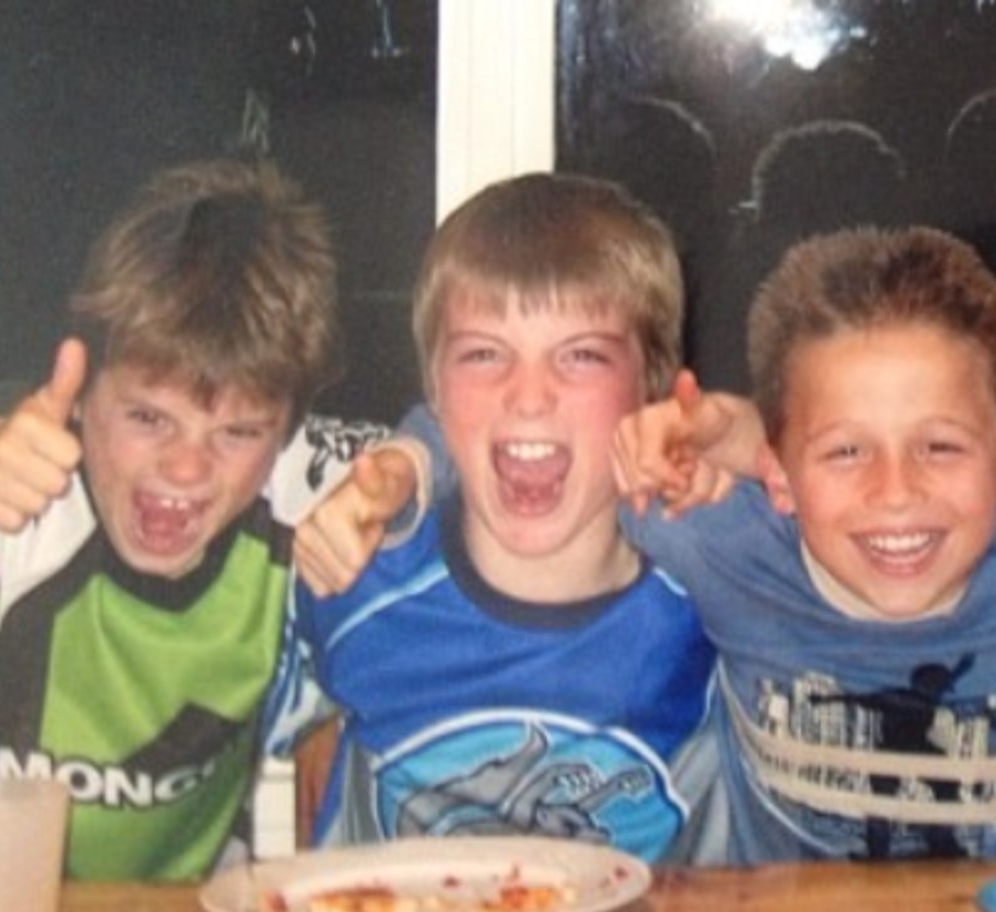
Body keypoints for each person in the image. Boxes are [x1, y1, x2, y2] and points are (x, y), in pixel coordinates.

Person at [0, 157, 386, 880]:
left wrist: (397, 485)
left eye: (237, 433)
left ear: (285, 433)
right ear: (81, 393)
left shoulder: (299, 500)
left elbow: (450, 464)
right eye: (148, 417)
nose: (185, 468)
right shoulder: (13, 496)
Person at [610, 225, 996, 863]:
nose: (895, 491)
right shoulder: (727, 547)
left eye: (940, 447)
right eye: (847, 452)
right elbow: (560, 481)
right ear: (777, 478)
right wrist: (654, 445)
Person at [262, 172, 732, 863]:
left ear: (653, 385)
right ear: (434, 387)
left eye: (580, 356)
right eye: (484, 354)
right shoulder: (353, 576)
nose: (528, 397)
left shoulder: (722, 601)